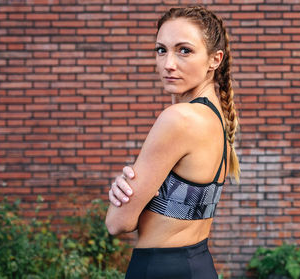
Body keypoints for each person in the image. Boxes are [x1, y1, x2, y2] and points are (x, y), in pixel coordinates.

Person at [105, 6, 240, 278]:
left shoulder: (179, 119)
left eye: (184, 50)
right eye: (161, 50)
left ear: (215, 59)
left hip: (160, 268)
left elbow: (117, 223)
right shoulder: (216, 118)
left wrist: (125, 193)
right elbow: (179, 204)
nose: (168, 64)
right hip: (198, 264)